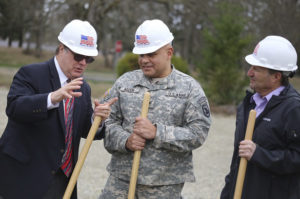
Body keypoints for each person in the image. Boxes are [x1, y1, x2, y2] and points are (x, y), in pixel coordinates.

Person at [0, 19, 117, 199]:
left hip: (62, 181)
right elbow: (15, 108)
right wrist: (52, 98)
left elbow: (84, 129)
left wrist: (96, 119)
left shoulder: (83, 88)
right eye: (78, 56)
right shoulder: (31, 73)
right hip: (24, 179)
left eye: (89, 59)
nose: (83, 63)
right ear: (62, 48)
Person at [99, 19, 211, 199]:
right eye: (141, 54)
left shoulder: (189, 88)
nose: (144, 60)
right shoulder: (124, 83)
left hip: (164, 184)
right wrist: (126, 141)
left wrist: (157, 132)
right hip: (121, 179)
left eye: (151, 54)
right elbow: (108, 122)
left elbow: (198, 133)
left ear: (169, 52)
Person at [220, 35, 300, 199]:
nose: (249, 73)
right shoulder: (247, 105)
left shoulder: (294, 109)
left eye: (256, 69)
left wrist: (259, 154)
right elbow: (238, 159)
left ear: (276, 76)